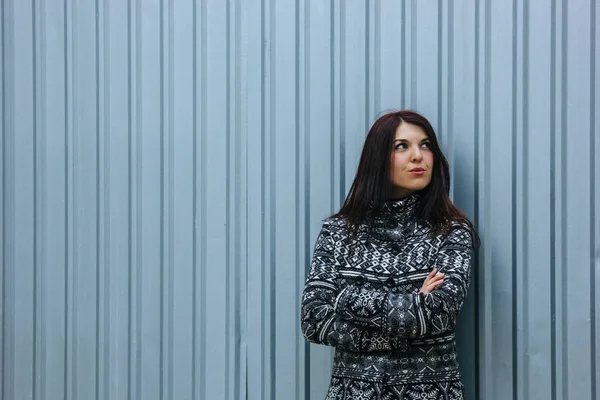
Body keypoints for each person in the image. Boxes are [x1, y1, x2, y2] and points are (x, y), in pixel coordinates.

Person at [301, 110, 481, 400]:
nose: (418, 156)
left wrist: (346, 299)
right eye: (401, 146)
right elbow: (313, 320)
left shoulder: (451, 232)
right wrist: (412, 308)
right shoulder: (338, 231)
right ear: (377, 158)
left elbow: (439, 314)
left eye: (426, 145)